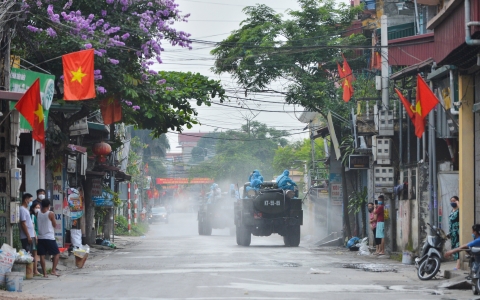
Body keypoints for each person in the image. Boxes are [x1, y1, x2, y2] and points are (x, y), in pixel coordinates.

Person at [37, 199, 60, 277]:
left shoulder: (38, 213)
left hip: (40, 237)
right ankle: (53, 270)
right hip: (49, 237)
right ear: (48, 205)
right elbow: (54, 225)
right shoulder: (50, 213)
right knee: (57, 253)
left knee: (42, 256)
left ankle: (44, 273)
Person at [29, 200, 42, 276]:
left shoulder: (38, 216)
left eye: (39, 207)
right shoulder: (33, 216)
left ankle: (34, 270)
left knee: (35, 254)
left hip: (36, 236)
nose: (38, 209)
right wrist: (36, 236)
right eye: (36, 207)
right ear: (33, 208)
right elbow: (33, 228)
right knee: (34, 254)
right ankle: (35, 270)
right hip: (34, 236)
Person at [449, 196, 461, 270]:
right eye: (451, 201)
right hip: (452, 232)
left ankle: (458, 265)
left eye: (454, 201)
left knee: (457, 247)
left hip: (457, 232)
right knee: (454, 247)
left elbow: (462, 212)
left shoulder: (458, 210)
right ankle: (457, 263)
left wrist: (458, 204)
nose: (452, 202)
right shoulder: (452, 210)